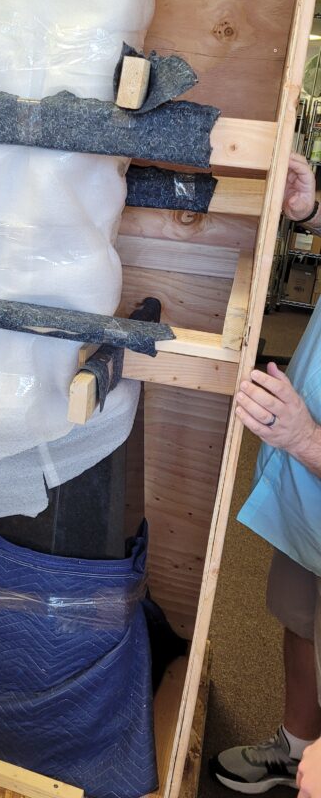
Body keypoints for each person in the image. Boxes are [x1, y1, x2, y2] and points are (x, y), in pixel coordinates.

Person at [211, 153, 321, 793]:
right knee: (300, 618)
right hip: (310, 492)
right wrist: (310, 209)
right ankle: (295, 746)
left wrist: (305, 438)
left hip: (312, 449)